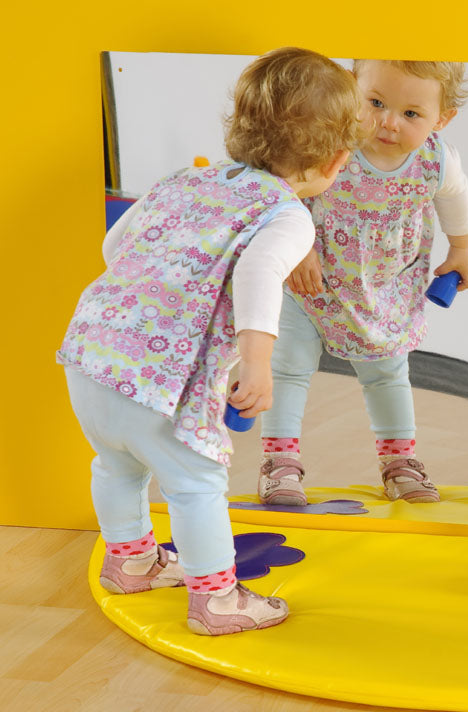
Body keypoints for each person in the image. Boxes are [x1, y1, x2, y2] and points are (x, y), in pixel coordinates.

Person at [57, 47, 363, 635]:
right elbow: (257, 274)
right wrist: (257, 363)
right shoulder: (287, 215)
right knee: (195, 484)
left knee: (116, 463)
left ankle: (131, 562)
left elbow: (115, 247)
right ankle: (217, 601)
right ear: (336, 160)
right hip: (160, 381)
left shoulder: (184, 180)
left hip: (91, 352)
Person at [258, 59, 468, 506]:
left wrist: (461, 249)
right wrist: (300, 247)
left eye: (411, 114)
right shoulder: (331, 141)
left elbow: (455, 198)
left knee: (388, 375)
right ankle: (279, 462)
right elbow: (284, 191)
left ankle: (400, 461)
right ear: (352, 90)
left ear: (442, 118)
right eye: (375, 103)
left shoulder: (436, 160)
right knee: (288, 367)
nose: (388, 122)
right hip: (309, 284)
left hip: (384, 292)